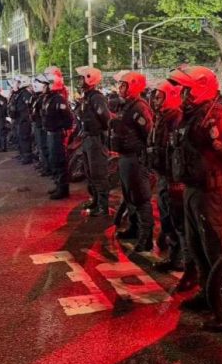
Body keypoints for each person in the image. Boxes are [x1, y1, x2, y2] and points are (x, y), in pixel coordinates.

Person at [168, 65, 222, 298]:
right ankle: (207, 293)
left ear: (201, 89)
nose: (183, 95)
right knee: (197, 246)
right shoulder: (192, 115)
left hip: (213, 192)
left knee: (216, 248)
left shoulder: (215, 116)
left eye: (187, 90)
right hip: (195, 189)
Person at [109, 70, 154, 252]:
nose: (120, 88)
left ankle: (146, 237)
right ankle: (134, 228)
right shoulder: (126, 105)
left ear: (133, 86)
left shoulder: (139, 107)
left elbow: (148, 133)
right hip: (125, 157)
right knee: (129, 197)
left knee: (141, 198)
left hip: (135, 158)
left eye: (123, 85)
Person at [147, 78, 186, 271]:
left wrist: (175, 179)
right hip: (163, 176)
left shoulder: (176, 118)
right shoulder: (162, 117)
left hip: (173, 180)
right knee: (167, 218)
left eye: (159, 97)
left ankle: (180, 258)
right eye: (155, 97)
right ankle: (174, 255)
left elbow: (177, 152)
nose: (155, 100)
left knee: (177, 220)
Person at [75, 66, 112, 217]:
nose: (80, 81)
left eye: (82, 78)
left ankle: (103, 206)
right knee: (90, 172)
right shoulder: (87, 97)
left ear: (90, 79)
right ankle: (95, 200)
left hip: (95, 139)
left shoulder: (96, 97)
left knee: (98, 173)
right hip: (87, 137)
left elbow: (106, 118)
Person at [42, 66, 73, 199]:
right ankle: (58, 184)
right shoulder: (49, 98)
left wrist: (62, 129)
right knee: (53, 159)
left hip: (57, 134)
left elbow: (68, 118)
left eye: (46, 85)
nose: (43, 87)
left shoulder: (58, 99)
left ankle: (63, 189)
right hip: (50, 133)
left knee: (59, 161)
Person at [14, 76, 34, 164]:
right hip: (20, 119)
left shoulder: (25, 93)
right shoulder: (21, 93)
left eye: (18, 82)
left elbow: (28, 108)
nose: (17, 84)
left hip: (24, 120)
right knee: (21, 138)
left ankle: (27, 157)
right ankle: (23, 155)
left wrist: (25, 119)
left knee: (25, 138)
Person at [30, 76, 49, 174]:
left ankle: (46, 167)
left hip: (42, 126)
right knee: (40, 146)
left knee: (44, 147)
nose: (35, 85)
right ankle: (43, 164)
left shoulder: (44, 98)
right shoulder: (37, 97)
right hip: (37, 124)